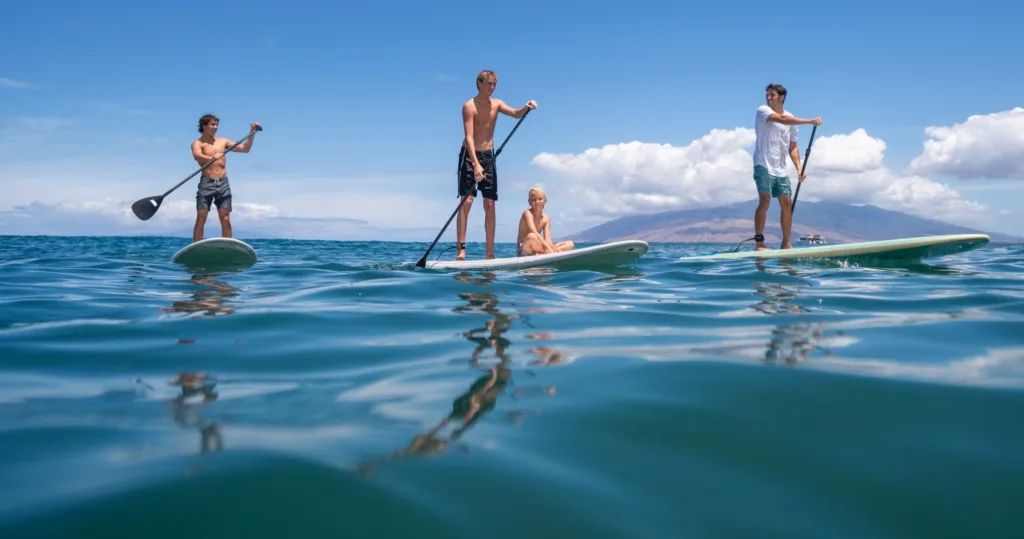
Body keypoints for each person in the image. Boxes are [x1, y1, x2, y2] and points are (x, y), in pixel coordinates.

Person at [455, 69, 537, 261]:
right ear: (479, 84)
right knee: (466, 202)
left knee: (490, 204)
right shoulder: (469, 106)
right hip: (469, 155)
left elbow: (516, 114)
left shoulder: (497, 104)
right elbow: (468, 137)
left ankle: (489, 254)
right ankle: (461, 250)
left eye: (494, 85)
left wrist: (526, 107)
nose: (492, 88)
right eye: (489, 84)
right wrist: (475, 164)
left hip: (489, 156)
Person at [751, 83, 822, 250]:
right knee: (765, 199)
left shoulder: (792, 119)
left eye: (772, 95)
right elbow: (781, 119)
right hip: (763, 164)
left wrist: (799, 168)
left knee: (787, 203)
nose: (768, 98)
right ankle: (759, 243)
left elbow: (793, 147)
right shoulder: (763, 111)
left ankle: (786, 243)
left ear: (781, 97)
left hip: (780, 168)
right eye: (767, 94)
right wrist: (810, 121)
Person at [190, 114, 261, 243]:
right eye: (212, 124)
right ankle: (196, 246)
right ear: (203, 126)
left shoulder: (223, 141)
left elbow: (245, 149)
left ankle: (226, 245)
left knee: (225, 218)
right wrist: (211, 158)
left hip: (223, 183)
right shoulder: (197, 143)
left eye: (216, 125)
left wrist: (252, 132)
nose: (215, 127)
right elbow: (197, 155)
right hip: (206, 183)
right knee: (201, 217)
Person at [516, 187, 574, 257]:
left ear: (545, 201)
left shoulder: (546, 218)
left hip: (538, 246)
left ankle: (547, 252)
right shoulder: (527, 213)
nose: (537, 202)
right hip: (524, 248)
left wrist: (551, 247)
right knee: (532, 236)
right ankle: (551, 252)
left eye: (540, 199)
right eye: (534, 200)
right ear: (529, 202)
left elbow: (547, 239)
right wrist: (548, 248)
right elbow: (534, 232)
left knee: (570, 244)